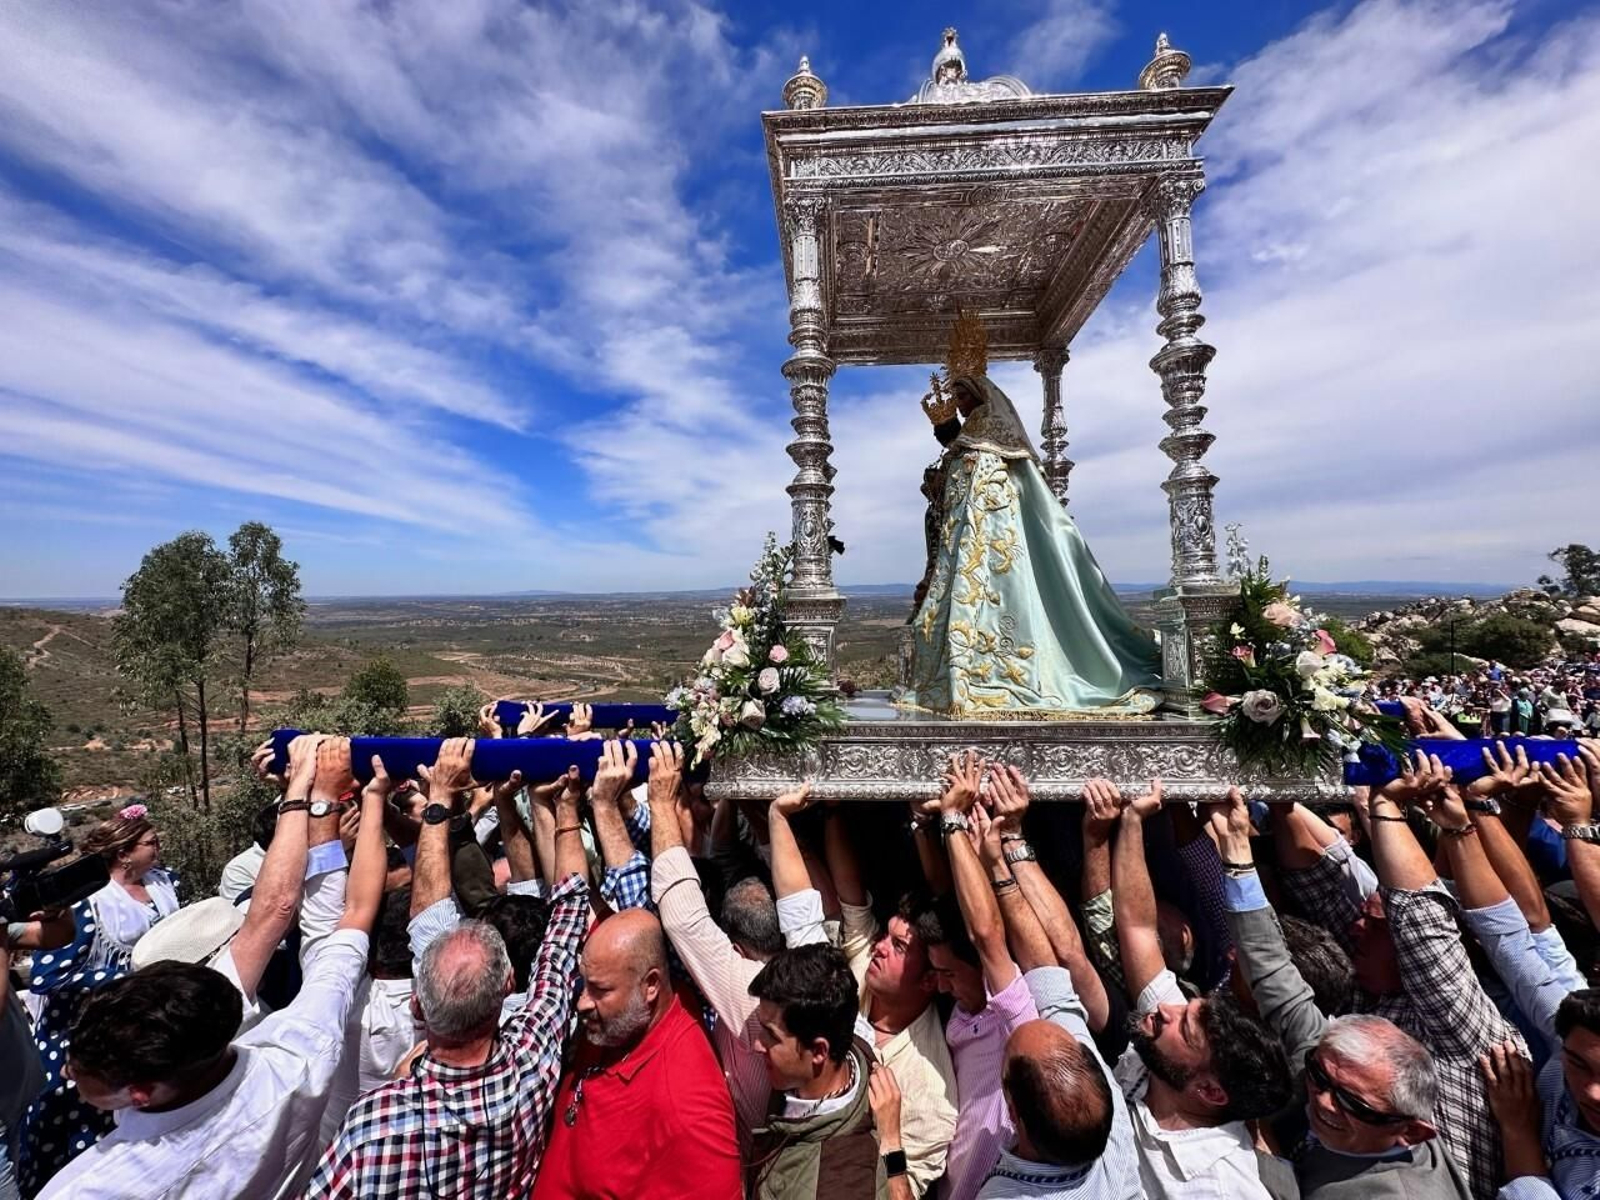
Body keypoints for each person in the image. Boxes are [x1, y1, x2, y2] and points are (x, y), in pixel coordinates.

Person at [38, 733, 387, 1200]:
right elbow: (313, 915)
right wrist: (309, 792)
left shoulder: (94, 1186)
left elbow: (280, 911)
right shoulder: (298, 1056)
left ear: (139, 1093)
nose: (66, 1073)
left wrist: (310, 795)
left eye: (80, 1069)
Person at [309, 737, 590, 1198]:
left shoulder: (372, 1127)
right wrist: (566, 806)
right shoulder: (533, 1060)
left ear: (417, 1005)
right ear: (508, 985)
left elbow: (427, 914)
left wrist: (438, 801)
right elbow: (571, 909)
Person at [897, 340, 1160, 717]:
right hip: (965, 548)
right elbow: (949, 491)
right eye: (955, 395)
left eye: (962, 395)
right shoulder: (966, 445)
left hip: (997, 547)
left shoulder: (993, 448)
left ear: (980, 395)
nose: (958, 403)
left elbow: (993, 497)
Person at [1096, 779, 1292, 1199]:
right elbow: (1138, 931)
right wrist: (1131, 821)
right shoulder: (1171, 1036)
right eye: (1187, 1010)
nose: (1169, 1010)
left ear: (1210, 1091)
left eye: (1183, 1028)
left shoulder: (1222, 1188)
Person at [770, 783, 959, 1198]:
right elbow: (834, 912)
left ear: (932, 979)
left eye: (899, 946)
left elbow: (901, 1191)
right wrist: (832, 810)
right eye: (886, 936)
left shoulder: (930, 1092)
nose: (880, 946)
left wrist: (889, 1139)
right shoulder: (855, 979)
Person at [531, 904, 742, 1198]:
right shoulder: (625, 1011)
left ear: (651, 985)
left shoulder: (688, 1108)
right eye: (584, 985)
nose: (582, 1003)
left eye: (600, 990)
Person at [744, 943, 879, 1198]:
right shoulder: (845, 1043)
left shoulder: (839, 1184)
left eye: (771, 1036)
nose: (757, 1044)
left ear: (819, 1052)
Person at [79, 805, 179, 970]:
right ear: (123, 855)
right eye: (151, 843)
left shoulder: (165, 880)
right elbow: (54, 978)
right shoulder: (91, 902)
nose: (158, 848)